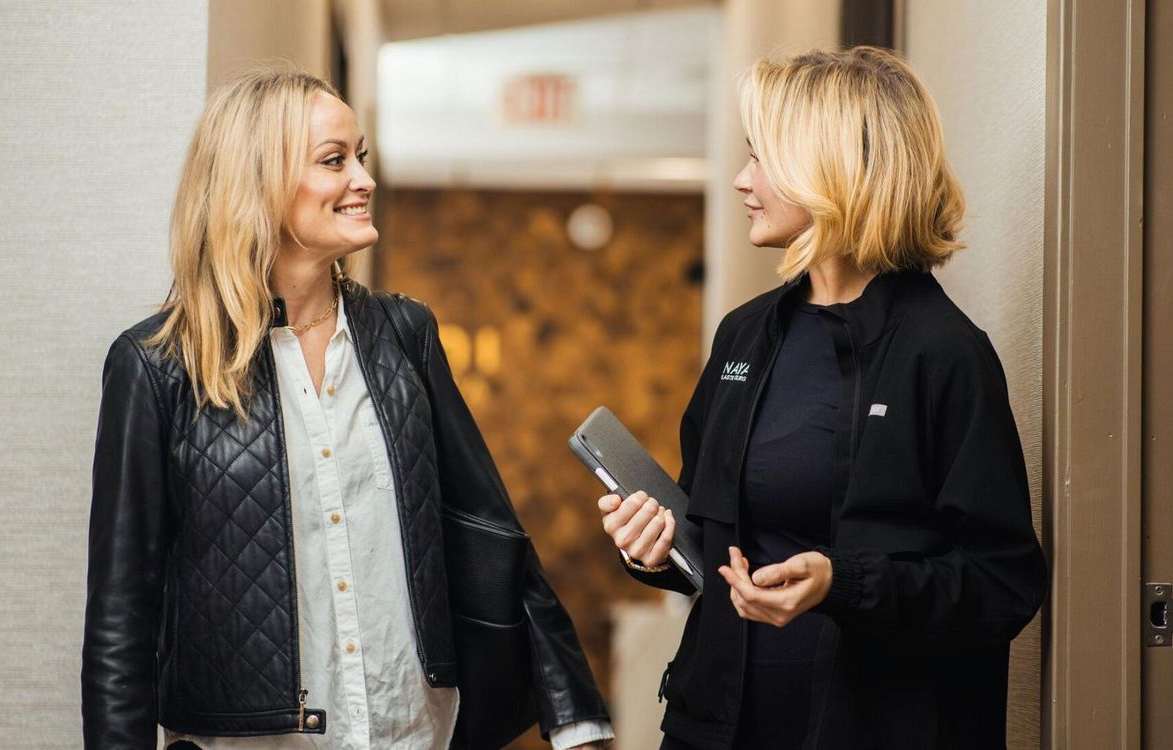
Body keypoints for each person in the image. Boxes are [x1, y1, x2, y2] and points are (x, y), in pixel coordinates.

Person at [82, 65, 612, 750]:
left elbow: (488, 530)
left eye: (360, 157)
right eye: (335, 161)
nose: (363, 180)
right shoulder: (156, 366)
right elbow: (122, 619)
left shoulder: (405, 333)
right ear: (259, 183)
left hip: (410, 730)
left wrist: (574, 712)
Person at [597, 47, 1047, 749]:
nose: (743, 180)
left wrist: (843, 582)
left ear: (835, 168)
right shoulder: (745, 336)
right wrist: (653, 551)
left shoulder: (943, 353)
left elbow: (1001, 584)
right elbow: (707, 538)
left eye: (762, 157)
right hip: (716, 728)